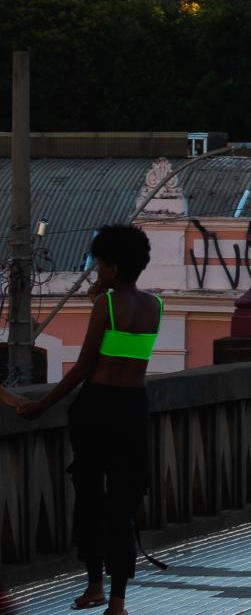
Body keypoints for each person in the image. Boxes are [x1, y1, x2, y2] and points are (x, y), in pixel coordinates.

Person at [4, 225, 160, 612]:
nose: (95, 270)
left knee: (90, 497)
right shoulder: (154, 305)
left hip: (97, 408)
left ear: (111, 267)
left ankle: (94, 585)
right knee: (124, 503)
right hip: (134, 408)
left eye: (99, 264)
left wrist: (41, 405)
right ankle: (118, 602)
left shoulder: (105, 305)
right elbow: (123, 356)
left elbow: (83, 368)